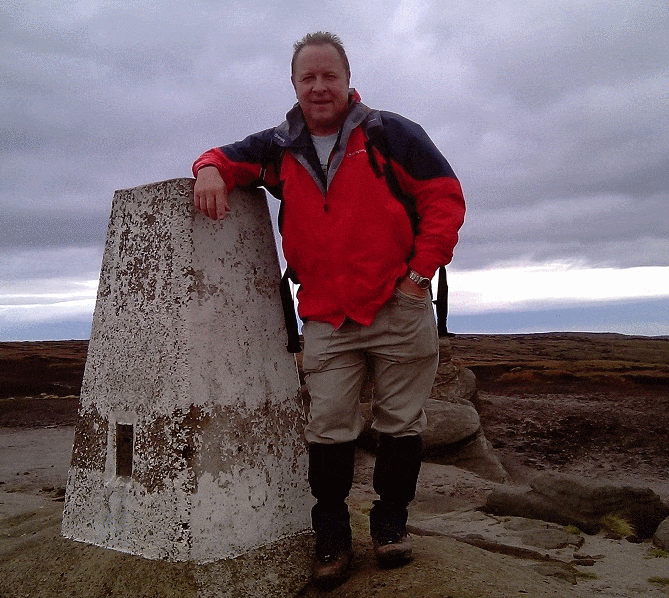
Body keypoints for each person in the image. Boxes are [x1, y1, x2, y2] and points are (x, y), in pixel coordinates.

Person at [192, 31, 465, 586]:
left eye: (329, 76)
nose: (319, 87)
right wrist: (208, 170)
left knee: (401, 423)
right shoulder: (279, 145)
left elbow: (444, 196)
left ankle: (390, 525)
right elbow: (222, 157)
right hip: (325, 315)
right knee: (329, 427)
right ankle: (332, 536)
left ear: (347, 80)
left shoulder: (390, 134)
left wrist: (418, 277)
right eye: (308, 77)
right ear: (294, 84)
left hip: (398, 305)